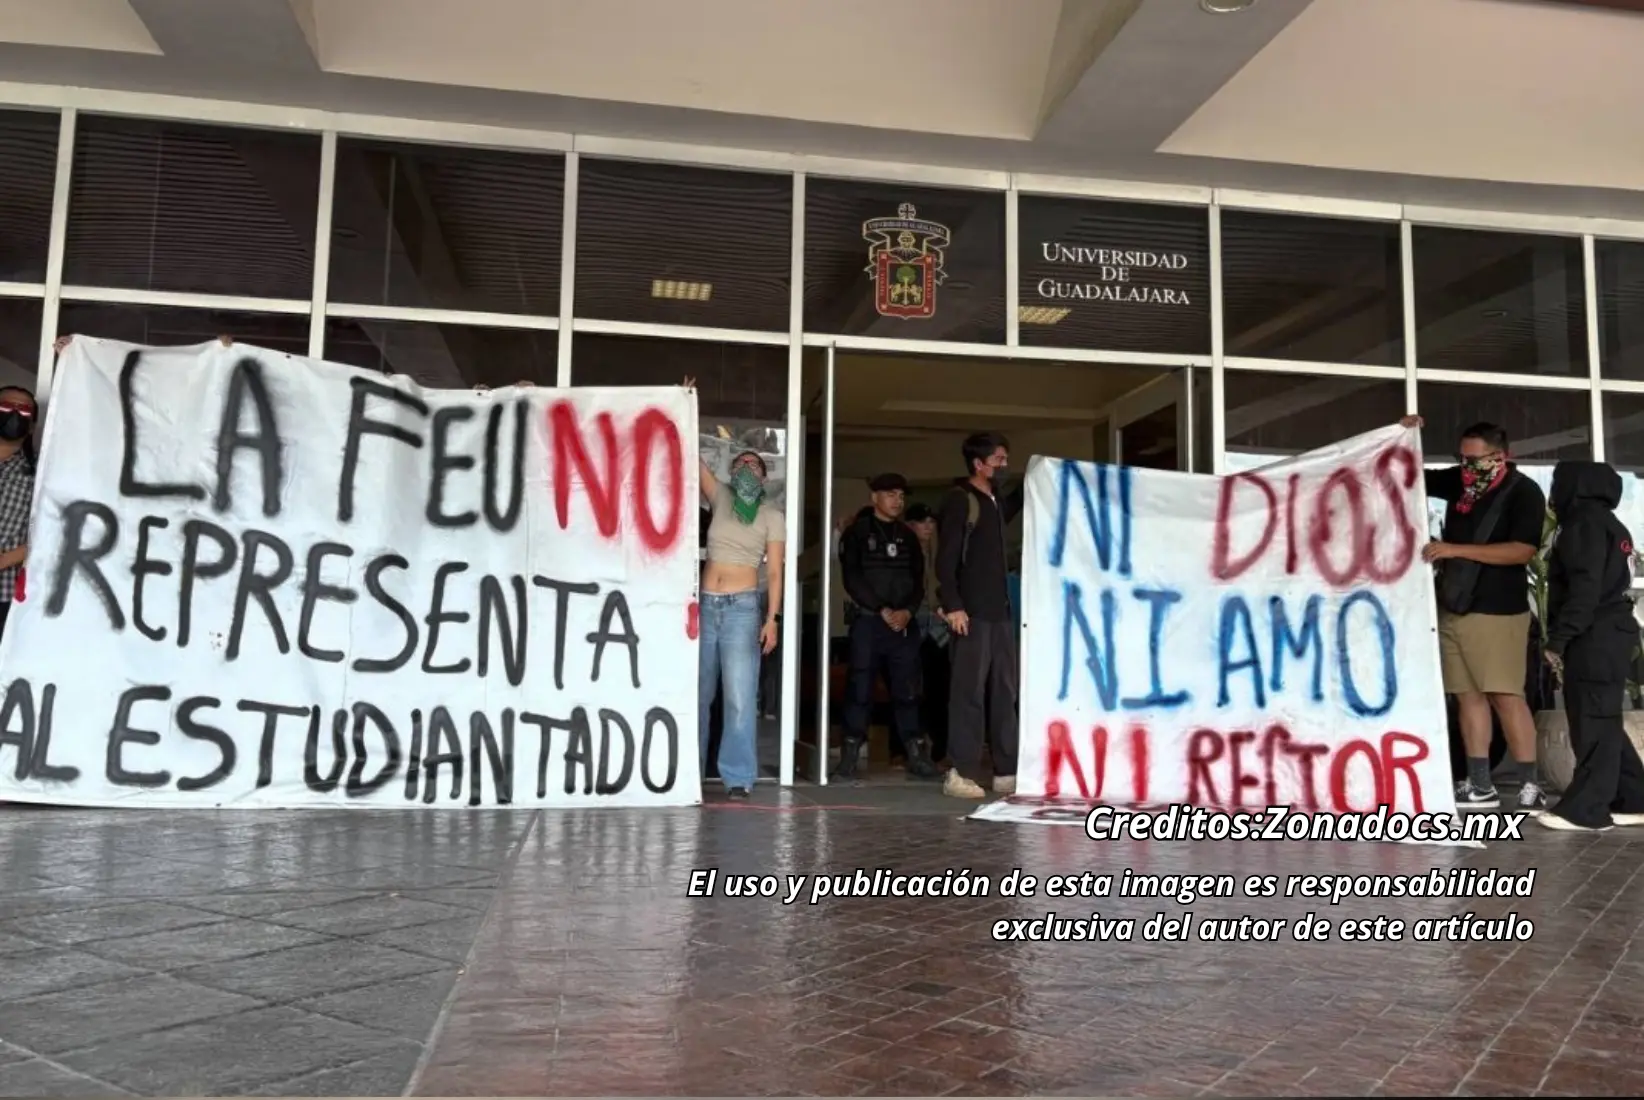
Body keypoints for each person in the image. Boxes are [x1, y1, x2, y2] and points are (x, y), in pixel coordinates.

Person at [1403, 416, 1547, 810]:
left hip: (1499, 611)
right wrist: (1404, 433)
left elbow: (1522, 551)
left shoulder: (1524, 493)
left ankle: (1530, 787)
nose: (1467, 467)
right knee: (1467, 697)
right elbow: (1406, 473)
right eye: (1461, 459)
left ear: (1501, 455)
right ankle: (1479, 784)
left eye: (1475, 460)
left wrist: (1453, 549)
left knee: (1505, 695)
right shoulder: (1461, 483)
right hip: (1457, 606)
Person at [1537, 461, 1644, 831]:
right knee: (1603, 718)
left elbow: (1585, 588)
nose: (1553, 494)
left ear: (1575, 486)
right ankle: (1634, 798)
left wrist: (1559, 640)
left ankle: (1587, 811)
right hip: (1611, 630)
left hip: (1594, 633)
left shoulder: (1582, 524)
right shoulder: (1612, 525)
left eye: (1557, 484)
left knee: (1593, 720)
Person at [693, 416, 785, 799]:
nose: (746, 468)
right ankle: (689, 773)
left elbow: (776, 572)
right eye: (740, 464)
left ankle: (738, 777)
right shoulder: (720, 497)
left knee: (739, 697)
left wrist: (772, 619)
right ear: (730, 472)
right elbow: (691, 459)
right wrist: (685, 405)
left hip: (743, 609)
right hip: (705, 606)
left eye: (754, 465)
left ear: (763, 478)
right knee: (697, 695)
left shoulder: (771, 516)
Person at [936, 431, 1023, 799]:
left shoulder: (995, 501)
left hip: (999, 613)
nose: (1003, 465)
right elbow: (946, 558)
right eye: (998, 460)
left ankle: (1007, 771)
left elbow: (1016, 503)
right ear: (978, 463)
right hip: (970, 613)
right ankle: (961, 771)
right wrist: (953, 604)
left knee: (1005, 692)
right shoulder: (961, 500)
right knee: (968, 693)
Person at [836, 473, 937, 781]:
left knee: (907, 691)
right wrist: (881, 609)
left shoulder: (907, 536)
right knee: (859, 690)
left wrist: (907, 611)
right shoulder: (857, 533)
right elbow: (852, 579)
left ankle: (916, 756)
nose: (897, 500)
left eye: (901, 496)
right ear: (874, 498)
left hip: (902, 626)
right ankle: (849, 758)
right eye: (891, 494)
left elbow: (918, 581)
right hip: (869, 622)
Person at [905, 502, 951, 764]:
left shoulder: (941, 552)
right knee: (909, 689)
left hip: (938, 630)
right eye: (922, 522)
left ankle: (940, 746)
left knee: (938, 689)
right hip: (911, 625)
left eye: (931, 522)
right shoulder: (905, 550)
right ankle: (909, 746)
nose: (928, 527)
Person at [0, 385, 37, 640]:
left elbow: (53, 534)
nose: (14, 415)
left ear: (32, 426)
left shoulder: (39, 474)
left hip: (5, 596)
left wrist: (4, 560)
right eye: (6, 407)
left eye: (24, 411)